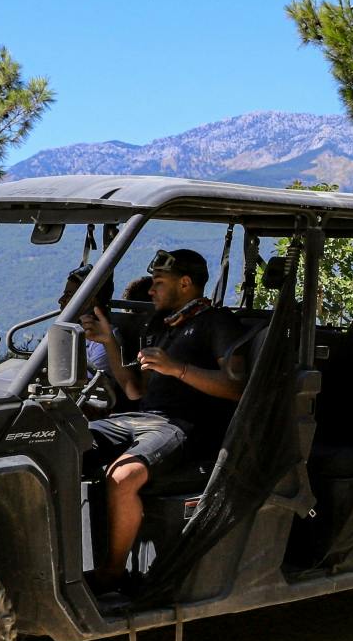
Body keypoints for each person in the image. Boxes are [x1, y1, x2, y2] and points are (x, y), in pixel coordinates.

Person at [79, 248, 245, 590]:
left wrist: (177, 369)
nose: (151, 289)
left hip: (183, 426)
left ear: (185, 283)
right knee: (63, 442)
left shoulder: (217, 322)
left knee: (122, 477)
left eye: (159, 282)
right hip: (140, 418)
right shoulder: (161, 325)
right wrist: (108, 342)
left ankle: (112, 573)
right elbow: (135, 389)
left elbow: (237, 388)